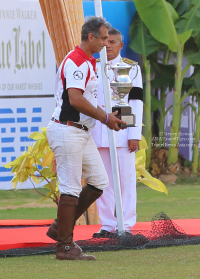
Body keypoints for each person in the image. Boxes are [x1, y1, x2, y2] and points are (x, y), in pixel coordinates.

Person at [46, 17, 127, 261]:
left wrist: (106, 115)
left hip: (80, 130)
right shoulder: (77, 61)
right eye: (103, 38)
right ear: (90, 37)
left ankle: (60, 228)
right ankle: (65, 247)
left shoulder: (86, 61)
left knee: (100, 182)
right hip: (67, 129)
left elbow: (84, 101)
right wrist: (105, 118)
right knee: (70, 187)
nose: (106, 42)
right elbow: (76, 99)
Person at [90, 28, 143, 238]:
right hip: (98, 133)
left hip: (122, 133)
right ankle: (107, 225)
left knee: (126, 181)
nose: (109, 45)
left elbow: (135, 102)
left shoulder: (130, 68)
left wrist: (134, 134)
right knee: (103, 182)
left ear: (121, 46)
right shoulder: (92, 67)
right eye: (106, 41)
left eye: (113, 42)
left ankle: (127, 226)